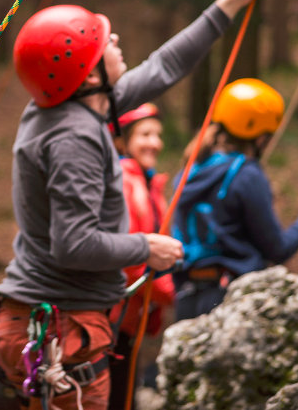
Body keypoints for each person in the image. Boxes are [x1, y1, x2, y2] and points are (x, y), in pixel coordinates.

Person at [0, 0, 278, 410]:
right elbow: (73, 244)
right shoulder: (74, 138)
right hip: (61, 331)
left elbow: (164, 66)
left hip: (48, 324)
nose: (116, 40)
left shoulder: (70, 104)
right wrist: (146, 247)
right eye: (103, 41)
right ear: (89, 72)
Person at [170, 78, 298, 321]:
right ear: (261, 138)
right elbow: (278, 249)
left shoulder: (190, 170)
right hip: (230, 300)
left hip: (186, 298)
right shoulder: (247, 175)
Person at [106, 103, 175, 409]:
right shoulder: (124, 182)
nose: (155, 142)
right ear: (123, 142)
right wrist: (170, 292)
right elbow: (131, 256)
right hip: (113, 315)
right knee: (117, 396)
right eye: (145, 134)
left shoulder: (146, 183)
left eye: (157, 135)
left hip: (128, 315)